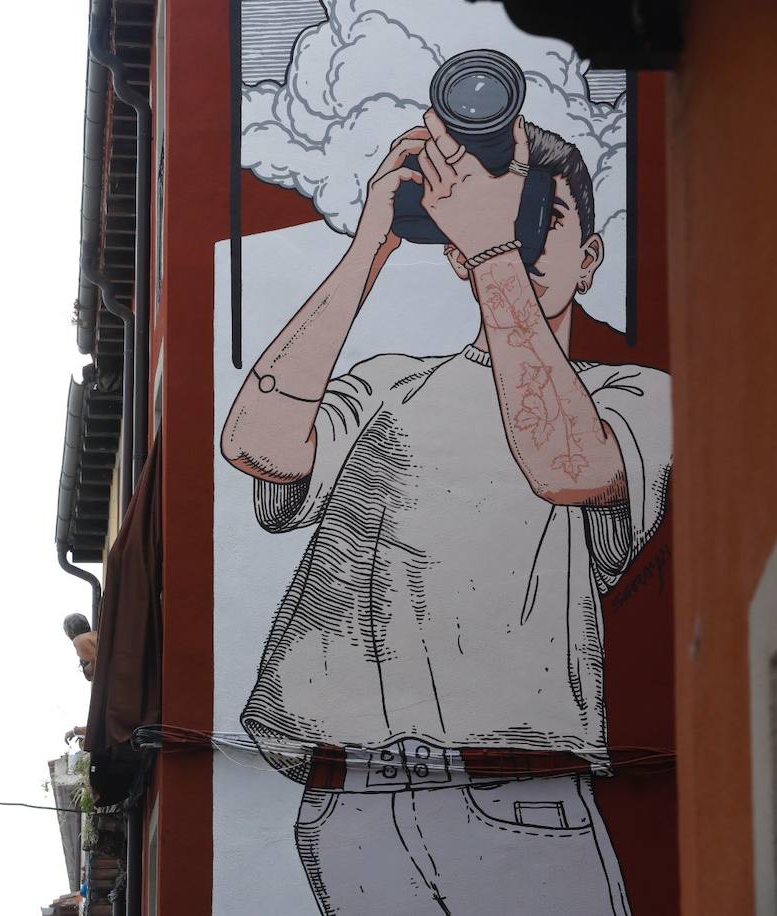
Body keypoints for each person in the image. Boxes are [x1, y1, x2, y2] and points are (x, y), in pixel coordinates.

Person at [220, 105, 670, 916]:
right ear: (457, 257)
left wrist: (494, 245)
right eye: (505, 218)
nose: (523, 238)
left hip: (518, 789)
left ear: (590, 258)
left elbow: (567, 465)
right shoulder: (391, 383)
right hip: (349, 797)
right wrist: (370, 244)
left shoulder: (632, 395)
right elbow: (257, 444)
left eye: (543, 217)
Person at [63, 613, 99, 681]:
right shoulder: (96, 635)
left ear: (70, 632)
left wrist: (86, 671)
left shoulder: (79, 640)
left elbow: (97, 663)